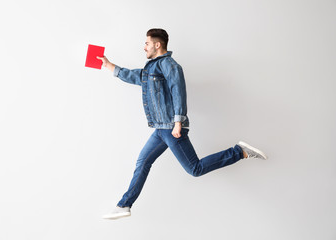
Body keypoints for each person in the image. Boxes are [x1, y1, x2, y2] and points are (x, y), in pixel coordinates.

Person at [98, 28, 268, 220]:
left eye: (146, 43)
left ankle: (239, 152)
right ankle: (124, 205)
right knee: (143, 162)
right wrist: (109, 65)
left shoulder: (170, 65)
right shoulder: (151, 69)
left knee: (194, 169)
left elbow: (178, 91)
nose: (144, 46)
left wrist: (178, 122)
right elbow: (134, 76)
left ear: (157, 44)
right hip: (161, 129)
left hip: (171, 127)